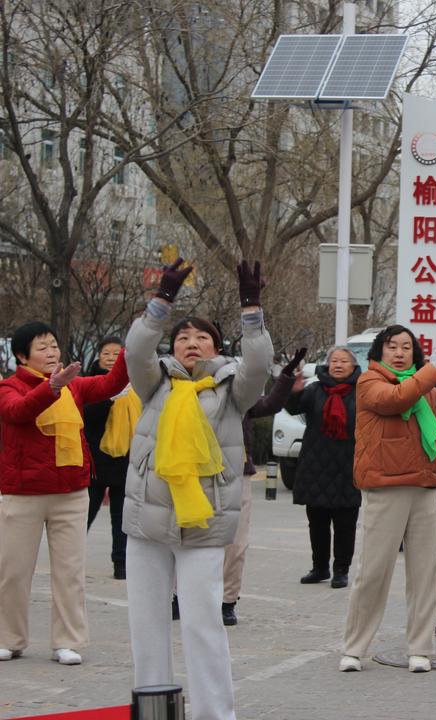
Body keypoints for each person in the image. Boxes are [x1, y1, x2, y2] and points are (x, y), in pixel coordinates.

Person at [123, 259, 272, 720]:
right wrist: (161, 300)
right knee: (146, 624)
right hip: (148, 519)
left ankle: (214, 713)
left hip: (204, 521)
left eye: (201, 337)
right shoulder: (156, 381)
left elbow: (259, 363)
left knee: (203, 622)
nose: (191, 342)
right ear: (172, 348)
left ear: (216, 347)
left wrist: (251, 308)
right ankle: (154, 708)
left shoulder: (232, 388)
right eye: (183, 337)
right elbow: (135, 351)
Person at [339, 327, 436, 674]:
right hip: (384, 486)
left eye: (406, 347)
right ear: (379, 352)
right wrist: (433, 369)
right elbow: (396, 399)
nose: (399, 353)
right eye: (392, 347)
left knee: (425, 572)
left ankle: (420, 648)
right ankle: (354, 648)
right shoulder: (370, 381)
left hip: (424, 485)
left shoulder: (423, 385)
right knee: (373, 571)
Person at [0, 322, 129, 665]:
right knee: (13, 572)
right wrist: (51, 388)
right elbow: (17, 412)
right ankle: (9, 639)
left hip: (71, 492)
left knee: (69, 572)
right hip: (23, 493)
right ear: (22, 356)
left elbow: (111, 383)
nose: (51, 352)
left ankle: (66, 641)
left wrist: (132, 348)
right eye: (42, 347)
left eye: (54, 346)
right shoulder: (8, 387)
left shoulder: (74, 386)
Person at [221, 346, 308, 625]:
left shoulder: (238, 393)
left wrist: (286, 377)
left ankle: (227, 600)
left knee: (236, 544)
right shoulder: (185, 390)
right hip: (191, 475)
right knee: (188, 539)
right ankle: (180, 596)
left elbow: (268, 404)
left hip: (237, 474)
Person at [286, 346, 363, 590]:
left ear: (353, 366)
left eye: (344, 361)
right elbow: (293, 408)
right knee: (317, 523)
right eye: (334, 361)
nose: (338, 365)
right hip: (316, 466)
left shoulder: (362, 391)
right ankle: (320, 567)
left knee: (345, 525)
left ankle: (341, 570)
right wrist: (293, 390)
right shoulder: (315, 389)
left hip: (348, 466)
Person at [84, 336, 138, 581]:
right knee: (85, 513)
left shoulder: (133, 383)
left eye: (116, 354)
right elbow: (86, 416)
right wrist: (108, 398)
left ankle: (121, 563)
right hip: (95, 460)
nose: (111, 358)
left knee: (121, 517)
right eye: (106, 353)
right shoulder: (88, 382)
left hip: (125, 460)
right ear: (98, 356)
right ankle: (70, 559)